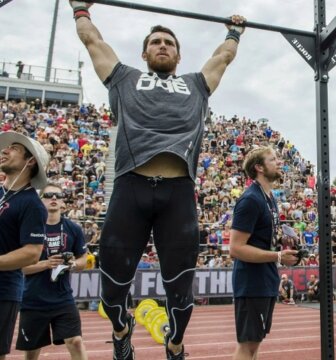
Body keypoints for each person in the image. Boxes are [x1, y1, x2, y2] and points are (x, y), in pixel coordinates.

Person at [69, 1, 247, 359]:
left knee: (181, 292)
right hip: (130, 186)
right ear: (145, 52)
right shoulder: (124, 77)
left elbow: (223, 57)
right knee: (113, 287)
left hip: (178, 192)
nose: (162, 45)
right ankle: (122, 328)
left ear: (179, 56)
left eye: (169, 42)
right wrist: (79, 8)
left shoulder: (195, 84)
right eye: (156, 42)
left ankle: (175, 342)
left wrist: (234, 31)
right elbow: (92, 41)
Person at [229, 146, 298, 360]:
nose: (279, 162)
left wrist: (281, 242)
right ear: (259, 167)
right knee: (247, 346)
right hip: (251, 281)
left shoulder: (269, 198)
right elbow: (236, 248)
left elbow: (261, 240)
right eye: (273, 159)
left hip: (265, 278)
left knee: (255, 344)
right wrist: (277, 256)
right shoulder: (251, 199)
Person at [16, 183, 89, 360]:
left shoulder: (74, 229)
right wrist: (46, 264)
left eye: (58, 195)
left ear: (63, 201)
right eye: (48, 195)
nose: (54, 198)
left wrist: (71, 265)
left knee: (76, 341)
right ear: (41, 200)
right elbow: (19, 267)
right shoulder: (28, 227)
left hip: (63, 298)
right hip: (32, 299)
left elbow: (83, 260)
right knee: (32, 353)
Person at [0, 131, 49, 360]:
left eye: (15, 149)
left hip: (3, 290)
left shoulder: (32, 204)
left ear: (30, 162)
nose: (5, 150)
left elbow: (32, 253)